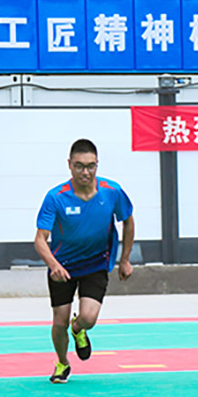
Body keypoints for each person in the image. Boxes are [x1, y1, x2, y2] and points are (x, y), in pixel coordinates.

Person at [34, 139, 135, 383]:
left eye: (91, 166)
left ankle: (78, 329)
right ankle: (62, 363)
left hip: (96, 264)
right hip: (63, 267)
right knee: (59, 322)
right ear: (69, 165)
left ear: (97, 165)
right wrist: (54, 265)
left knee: (89, 318)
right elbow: (39, 239)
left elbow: (128, 221)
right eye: (79, 166)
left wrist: (125, 260)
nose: (85, 172)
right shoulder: (56, 197)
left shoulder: (112, 191)